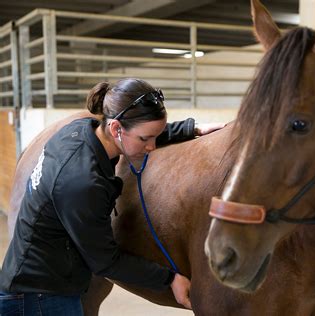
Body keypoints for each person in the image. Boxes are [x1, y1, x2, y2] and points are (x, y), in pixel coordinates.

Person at [0, 78, 225, 315]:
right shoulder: (81, 183)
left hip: (42, 280)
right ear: (117, 128)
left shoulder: (81, 130)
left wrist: (191, 129)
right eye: (145, 140)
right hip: (39, 297)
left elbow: (138, 131)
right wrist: (169, 279)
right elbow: (104, 261)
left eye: (154, 137)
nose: (151, 147)